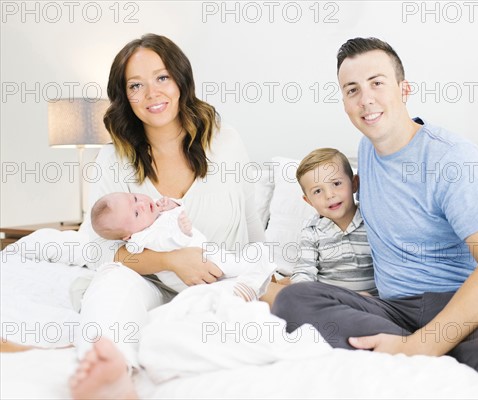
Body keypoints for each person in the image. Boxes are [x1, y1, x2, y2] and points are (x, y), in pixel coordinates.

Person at [271, 37, 478, 399]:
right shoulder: (365, 151)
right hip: (393, 309)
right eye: (352, 90)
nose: (366, 99)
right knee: (294, 300)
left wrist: (423, 344)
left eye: (377, 83)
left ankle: (434, 347)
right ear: (345, 102)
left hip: (469, 303)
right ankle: (412, 345)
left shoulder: (452, 158)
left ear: (404, 89)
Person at [74, 33, 265, 373]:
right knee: (113, 283)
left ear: (180, 80)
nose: (152, 94)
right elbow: (97, 251)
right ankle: (104, 371)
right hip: (152, 283)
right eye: (136, 85)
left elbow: (251, 222)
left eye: (162, 77)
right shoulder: (112, 159)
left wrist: (267, 273)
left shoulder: (225, 141)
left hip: (221, 285)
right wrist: (171, 260)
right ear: (125, 96)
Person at [90, 192, 273, 298]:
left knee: (232, 269)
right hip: (192, 271)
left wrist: (172, 205)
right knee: (241, 265)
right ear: (128, 236)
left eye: (135, 198)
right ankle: (254, 276)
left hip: (206, 254)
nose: (143, 205)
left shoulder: (154, 217)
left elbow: (179, 210)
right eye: (136, 213)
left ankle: (246, 284)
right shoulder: (142, 238)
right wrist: (182, 233)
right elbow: (165, 243)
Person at [287, 148, 376, 295]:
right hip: (331, 302)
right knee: (288, 294)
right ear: (309, 201)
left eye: (336, 184)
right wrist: (302, 291)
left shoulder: (372, 220)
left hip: (372, 303)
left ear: (354, 184)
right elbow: (304, 272)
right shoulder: (312, 230)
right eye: (317, 191)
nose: (329, 195)